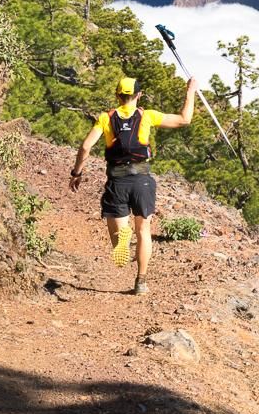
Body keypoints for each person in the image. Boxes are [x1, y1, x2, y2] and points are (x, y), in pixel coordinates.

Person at [70, 73, 197, 294]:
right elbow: (184, 119)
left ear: (117, 95)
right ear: (139, 95)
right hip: (142, 180)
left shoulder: (105, 118)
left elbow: (86, 147)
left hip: (117, 181)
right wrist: (191, 91)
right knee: (144, 231)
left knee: (119, 236)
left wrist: (77, 172)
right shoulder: (147, 116)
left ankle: (123, 238)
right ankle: (141, 282)